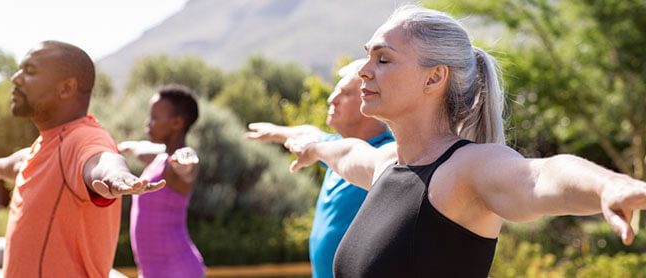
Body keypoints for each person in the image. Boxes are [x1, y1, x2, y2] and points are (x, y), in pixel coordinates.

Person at [284, 6, 646, 277]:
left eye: (382, 59)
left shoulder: (465, 170)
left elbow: (540, 176)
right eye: (368, 56)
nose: (363, 70)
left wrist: (608, 185)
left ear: (434, 78)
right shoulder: (387, 164)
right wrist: (310, 142)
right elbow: (345, 152)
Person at [0, 40, 165, 277]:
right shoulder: (47, 144)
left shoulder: (83, 138)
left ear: (66, 88)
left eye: (30, 71)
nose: (16, 78)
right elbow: (16, 163)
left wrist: (117, 176)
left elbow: (102, 160)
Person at [246, 59, 394, 278]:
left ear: (370, 99)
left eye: (344, 93)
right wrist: (276, 132)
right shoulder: (330, 148)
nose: (331, 99)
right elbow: (308, 133)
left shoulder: (388, 156)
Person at [118, 85, 205, 278]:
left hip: (179, 271)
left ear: (176, 123)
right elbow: (142, 149)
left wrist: (185, 164)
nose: (148, 123)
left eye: (155, 118)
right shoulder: (160, 157)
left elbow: (187, 170)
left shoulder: (177, 162)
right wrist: (125, 147)